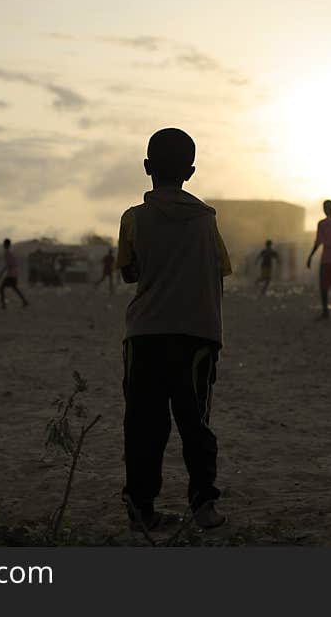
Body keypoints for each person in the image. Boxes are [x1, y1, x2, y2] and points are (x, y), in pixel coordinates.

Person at [116, 127, 231, 532]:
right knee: (195, 422)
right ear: (191, 171)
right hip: (197, 334)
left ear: (147, 167)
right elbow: (221, 268)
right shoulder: (207, 221)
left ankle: (141, 508)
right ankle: (203, 504)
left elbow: (131, 272)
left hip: (146, 334)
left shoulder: (133, 219)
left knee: (144, 424)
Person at [0, 238, 28, 309]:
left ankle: (3, 305)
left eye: (4, 244)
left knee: (1, 288)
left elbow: (8, 265)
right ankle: (24, 301)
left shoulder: (7, 253)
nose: (3, 245)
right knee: (15, 288)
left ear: (6, 245)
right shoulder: (10, 253)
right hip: (14, 274)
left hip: (11, 275)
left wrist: (1, 273)